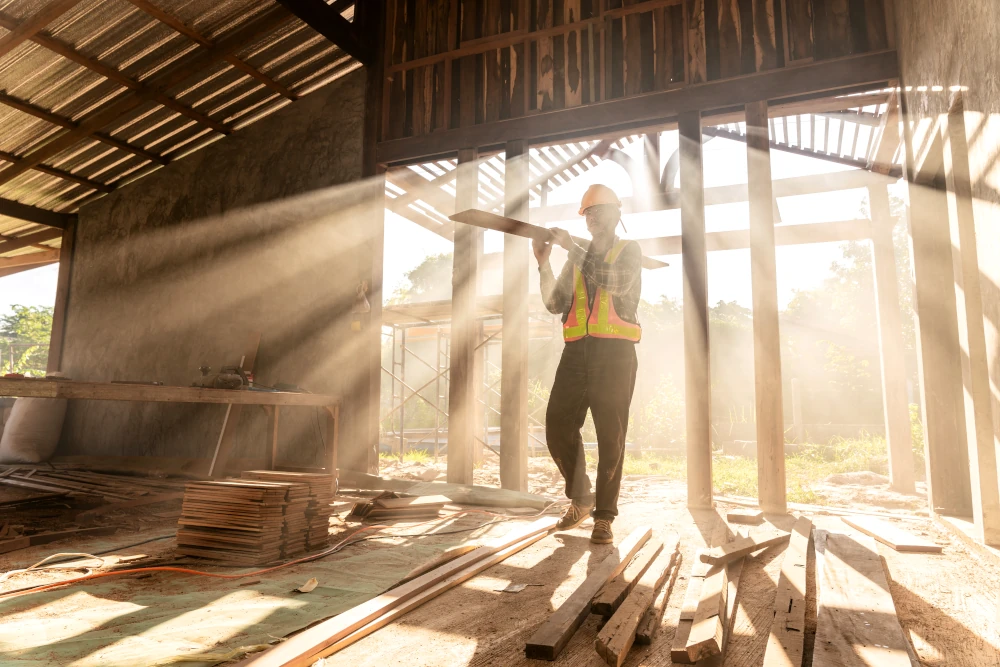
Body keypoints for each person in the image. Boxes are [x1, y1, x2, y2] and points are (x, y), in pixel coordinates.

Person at [533, 184, 642, 544]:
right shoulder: (576, 257)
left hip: (615, 353)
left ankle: (604, 517)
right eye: (588, 213)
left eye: (600, 212)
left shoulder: (628, 251)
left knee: (611, 436)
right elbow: (554, 303)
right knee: (557, 425)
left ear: (616, 215)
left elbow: (617, 283)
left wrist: (573, 250)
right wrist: (543, 263)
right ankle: (581, 498)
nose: (593, 218)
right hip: (577, 351)